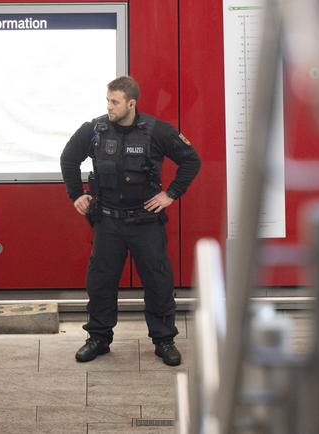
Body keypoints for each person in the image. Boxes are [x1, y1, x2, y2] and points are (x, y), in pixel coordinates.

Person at [61, 76, 201, 366]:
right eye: (107, 101)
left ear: (131, 103)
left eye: (115, 102)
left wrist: (170, 194)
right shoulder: (95, 130)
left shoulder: (156, 131)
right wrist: (77, 195)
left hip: (145, 222)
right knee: (100, 282)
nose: (109, 107)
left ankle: (164, 340)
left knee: (158, 281)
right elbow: (68, 158)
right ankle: (98, 337)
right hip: (107, 222)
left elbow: (191, 160)